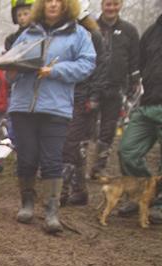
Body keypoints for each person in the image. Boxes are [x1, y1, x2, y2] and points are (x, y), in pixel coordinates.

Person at [6, 0, 96, 235]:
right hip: (22, 106)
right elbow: (11, 66)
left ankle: (51, 211)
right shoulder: (28, 33)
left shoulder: (79, 34)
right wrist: (10, 72)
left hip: (56, 107)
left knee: (52, 160)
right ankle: (27, 204)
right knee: (26, 158)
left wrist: (55, 71)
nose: (53, 4)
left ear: (67, 5)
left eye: (58, 0)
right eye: (48, 0)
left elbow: (87, 64)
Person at [115, 0, 162, 224]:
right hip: (148, 104)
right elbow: (139, 63)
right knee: (127, 150)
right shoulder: (152, 32)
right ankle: (144, 193)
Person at [59, 11, 108, 206]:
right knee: (70, 144)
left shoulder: (93, 36)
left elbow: (101, 67)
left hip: (83, 97)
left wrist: (95, 96)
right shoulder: (60, 34)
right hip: (63, 96)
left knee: (67, 144)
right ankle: (80, 191)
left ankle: (60, 191)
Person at [92, 0, 140, 180]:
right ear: (102, 5)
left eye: (115, 4)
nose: (111, 8)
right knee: (83, 128)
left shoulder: (130, 30)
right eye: (108, 4)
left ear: (121, 5)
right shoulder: (91, 27)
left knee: (109, 128)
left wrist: (134, 80)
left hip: (116, 86)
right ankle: (75, 168)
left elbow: (135, 59)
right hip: (91, 87)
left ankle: (99, 167)